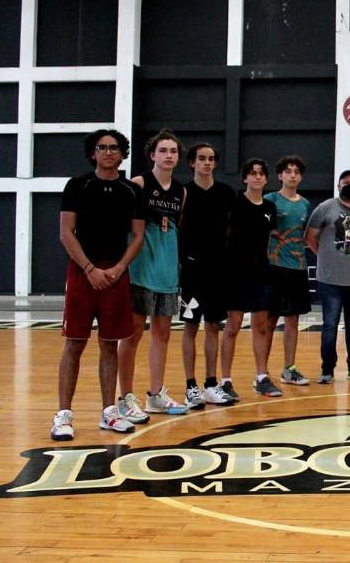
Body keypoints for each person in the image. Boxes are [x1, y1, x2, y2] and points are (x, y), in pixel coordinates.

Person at [51, 130, 145, 440]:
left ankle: (109, 412)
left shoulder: (131, 190)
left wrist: (118, 268)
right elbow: (66, 233)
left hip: (116, 274)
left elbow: (138, 235)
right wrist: (89, 268)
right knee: (74, 343)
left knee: (109, 343)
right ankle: (63, 415)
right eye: (101, 147)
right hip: (82, 273)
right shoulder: (78, 185)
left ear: (122, 153)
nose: (107, 152)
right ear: (93, 152)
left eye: (113, 148)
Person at [117, 129, 188, 420]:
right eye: (163, 150)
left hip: (167, 271)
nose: (169, 155)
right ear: (152, 155)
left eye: (173, 151)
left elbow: (175, 226)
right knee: (132, 334)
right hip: (140, 269)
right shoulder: (139, 183)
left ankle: (156, 394)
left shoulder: (181, 191)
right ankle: (125, 397)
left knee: (163, 333)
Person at [305, 169, 350, 383]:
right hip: (330, 281)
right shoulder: (325, 208)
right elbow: (310, 237)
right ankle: (327, 369)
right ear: (338, 186)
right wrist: (324, 256)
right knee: (330, 325)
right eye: (346, 182)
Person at [178, 142, 237, 407]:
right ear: (192, 162)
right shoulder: (183, 192)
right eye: (201, 158)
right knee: (191, 325)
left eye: (211, 159)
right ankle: (191, 386)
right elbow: (178, 227)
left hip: (219, 269)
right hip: (192, 270)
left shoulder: (226, 193)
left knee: (213, 325)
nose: (207, 163)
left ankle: (211, 384)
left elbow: (231, 229)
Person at [219, 158, 279, 398]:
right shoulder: (235, 203)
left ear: (266, 179)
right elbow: (226, 235)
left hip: (260, 272)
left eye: (261, 173)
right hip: (235, 272)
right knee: (232, 326)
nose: (257, 177)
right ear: (245, 178)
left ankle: (261, 377)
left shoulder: (269, 207)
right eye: (252, 173)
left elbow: (268, 240)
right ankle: (225, 380)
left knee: (261, 326)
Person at [265, 156, 313, 387]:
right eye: (288, 171)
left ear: (301, 177)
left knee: (292, 320)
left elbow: (305, 235)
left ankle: (289, 369)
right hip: (274, 267)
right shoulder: (270, 200)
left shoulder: (305, 204)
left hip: (297, 268)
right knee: (269, 321)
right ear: (280, 175)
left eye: (296, 172)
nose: (292, 175)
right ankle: (262, 373)